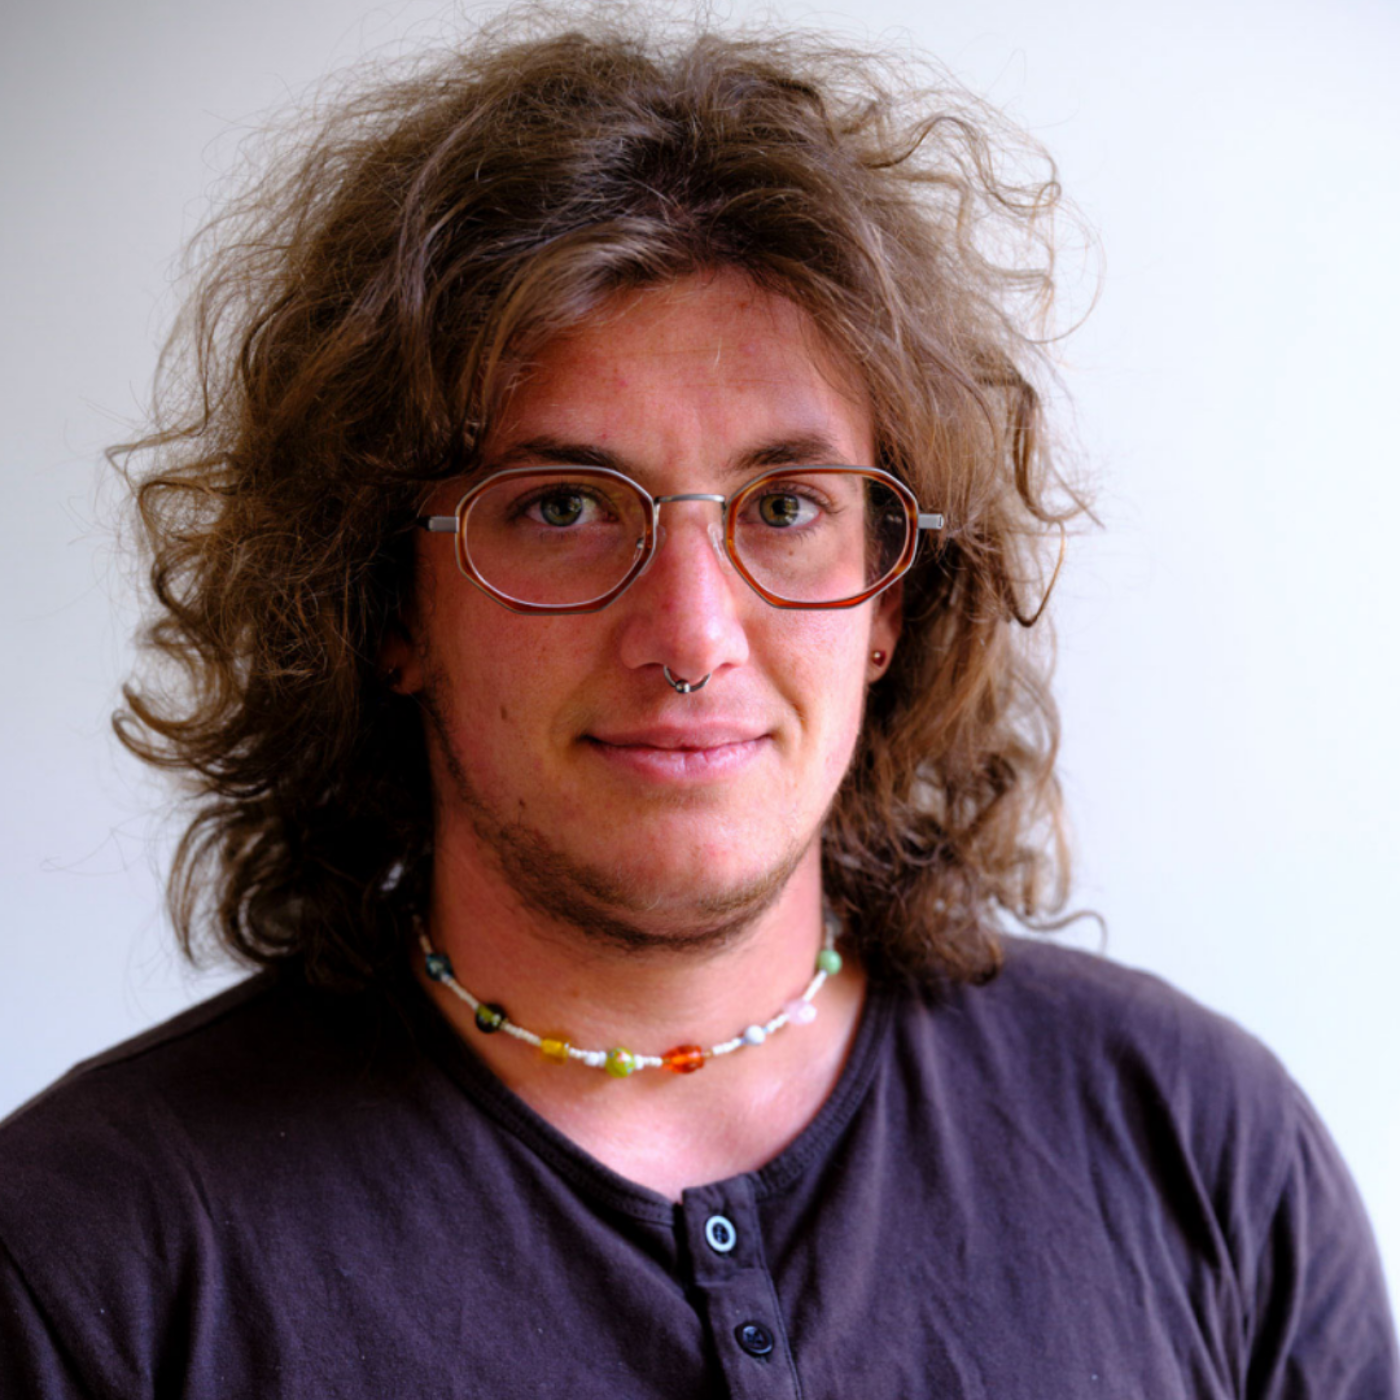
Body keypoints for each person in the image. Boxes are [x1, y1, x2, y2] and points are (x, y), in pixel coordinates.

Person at [1, 14, 1395, 1397]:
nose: (690, 636)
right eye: (559, 509)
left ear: (891, 602)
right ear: (383, 609)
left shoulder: (1201, 1148)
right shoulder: (85, 1271)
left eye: (784, 508)